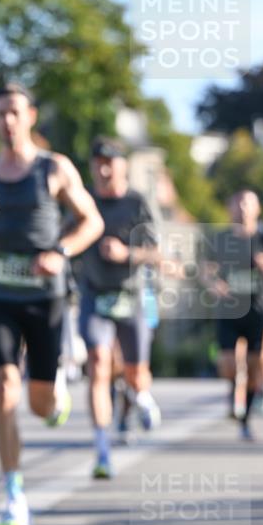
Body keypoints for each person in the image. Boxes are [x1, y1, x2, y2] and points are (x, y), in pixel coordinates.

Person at [0, 83, 103, 525]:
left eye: (15, 112)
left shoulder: (53, 168)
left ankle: (53, 389)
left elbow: (92, 221)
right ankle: (13, 494)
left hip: (45, 297)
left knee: (39, 406)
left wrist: (60, 250)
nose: (8, 120)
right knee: (4, 389)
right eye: (0, 113)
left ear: (31, 116)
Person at [76, 138, 162, 479]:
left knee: (134, 372)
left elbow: (155, 253)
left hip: (131, 297)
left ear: (123, 166)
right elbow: (66, 233)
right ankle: (102, 449)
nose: (104, 169)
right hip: (94, 295)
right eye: (98, 162)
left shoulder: (136, 202)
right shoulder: (85, 200)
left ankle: (142, 396)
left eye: (110, 162)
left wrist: (127, 254)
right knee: (98, 364)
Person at [207, 189, 263, 440]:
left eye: (248, 204)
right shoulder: (222, 238)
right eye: (238, 203)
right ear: (230, 208)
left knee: (258, 364)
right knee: (227, 365)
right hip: (229, 309)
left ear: (257, 209)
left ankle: (245, 415)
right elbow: (206, 270)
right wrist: (213, 283)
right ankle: (235, 393)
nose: (243, 208)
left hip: (259, 309)